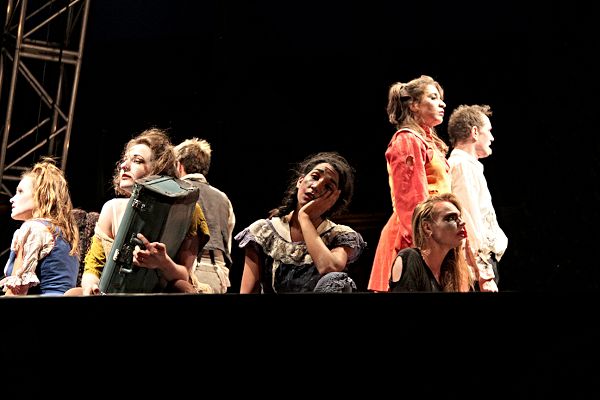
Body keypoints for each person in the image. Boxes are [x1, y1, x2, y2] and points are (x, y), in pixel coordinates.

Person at [65, 128, 210, 295]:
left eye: (137, 161)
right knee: (72, 294)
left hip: (163, 292)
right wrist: (90, 285)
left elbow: (185, 274)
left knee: (183, 288)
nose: (124, 166)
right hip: (115, 291)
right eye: (124, 160)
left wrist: (163, 263)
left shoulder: (187, 210)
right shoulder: (111, 208)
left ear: (158, 169)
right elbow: (93, 267)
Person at [235, 151, 366, 293]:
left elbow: (329, 268)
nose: (316, 186)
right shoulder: (263, 232)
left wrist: (304, 217)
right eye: (315, 177)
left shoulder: (340, 236)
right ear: (300, 180)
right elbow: (248, 292)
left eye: (328, 187)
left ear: (334, 199)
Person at [369, 75, 451, 292]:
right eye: (433, 97)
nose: (442, 104)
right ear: (414, 105)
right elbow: (411, 200)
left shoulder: (426, 141)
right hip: (413, 236)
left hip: (433, 233)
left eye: (440, 98)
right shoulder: (407, 140)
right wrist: (423, 245)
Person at [447, 104, 508, 292]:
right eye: (488, 131)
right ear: (474, 132)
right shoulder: (462, 166)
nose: (492, 137)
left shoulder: (469, 166)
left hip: (482, 263)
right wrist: (484, 273)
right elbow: (468, 222)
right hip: (477, 268)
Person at [0, 157, 79, 295]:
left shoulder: (33, 228)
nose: (12, 199)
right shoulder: (64, 232)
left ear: (41, 196)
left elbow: (17, 293)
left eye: (20, 191)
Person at [174, 137, 235, 294]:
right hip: (217, 275)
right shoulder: (223, 198)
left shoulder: (175, 191)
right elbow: (226, 241)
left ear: (178, 165)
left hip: (185, 272)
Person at [389, 192, 473, 292]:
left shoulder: (449, 273)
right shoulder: (410, 258)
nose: (462, 222)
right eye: (451, 218)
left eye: (460, 217)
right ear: (427, 227)